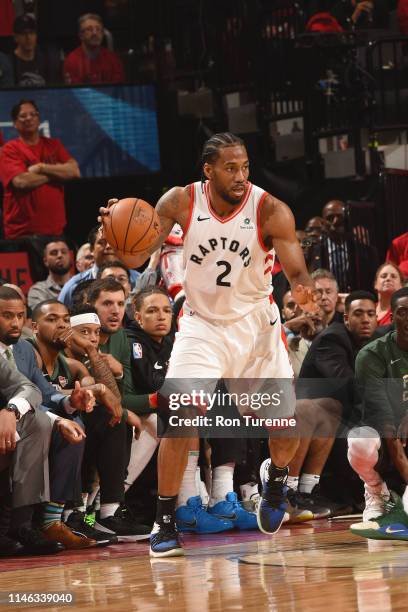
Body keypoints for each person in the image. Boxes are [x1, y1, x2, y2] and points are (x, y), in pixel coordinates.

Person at [101, 132, 319, 557]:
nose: (240, 176)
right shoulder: (178, 202)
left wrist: (305, 290)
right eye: (230, 168)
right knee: (179, 417)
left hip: (257, 327)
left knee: (285, 429)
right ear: (208, 170)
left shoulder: (271, 209)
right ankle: (164, 523)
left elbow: (297, 273)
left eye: (245, 168)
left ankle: (274, 480)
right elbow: (133, 257)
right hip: (202, 326)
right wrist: (115, 233)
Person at [349, 287, 408, 540]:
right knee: (360, 440)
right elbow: (391, 436)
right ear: (392, 317)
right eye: (403, 312)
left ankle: (400, 506)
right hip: (387, 442)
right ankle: (376, 490)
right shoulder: (372, 355)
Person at [0, 99, 80, 241]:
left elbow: (74, 172)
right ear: (14, 123)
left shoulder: (54, 145)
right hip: (22, 234)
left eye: (33, 114)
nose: (29, 118)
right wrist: (57, 174)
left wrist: (41, 168)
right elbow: (21, 181)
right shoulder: (9, 150)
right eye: (23, 116)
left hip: (55, 232)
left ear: (39, 118)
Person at [59, 226, 139, 307]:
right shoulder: (73, 286)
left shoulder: (137, 280)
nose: (108, 246)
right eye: (102, 242)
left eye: (114, 242)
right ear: (91, 249)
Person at [63, 13, 124, 85]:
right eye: (89, 29)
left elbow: (118, 88)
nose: (95, 33)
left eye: (98, 29)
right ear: (81, 35)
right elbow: (75, 92)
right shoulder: (71, 61)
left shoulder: (113, 59)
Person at [10, 14, 61, 87]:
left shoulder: (48, 58)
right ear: (15, 37)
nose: (28, 37)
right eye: (23, 34)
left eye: (31, 33)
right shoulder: (10, 62)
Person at [28, 240, 73, 310]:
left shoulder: (80, 284)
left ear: (70, 257)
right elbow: (43, 316)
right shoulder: (38, 290)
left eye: (64, 252)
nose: (60, 255)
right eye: (54, 253)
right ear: (45, 261)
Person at [374, 262, 403, 327]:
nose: (388, 279)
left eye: (393, 276)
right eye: (384, 276)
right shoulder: (367, 307)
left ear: (401, 285)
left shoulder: (403, 312)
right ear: (375, 284)